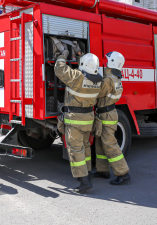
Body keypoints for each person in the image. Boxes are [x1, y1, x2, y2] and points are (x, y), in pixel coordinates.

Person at [55, 50, 102, 194]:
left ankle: (84, 182)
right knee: (85, 148)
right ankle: (87, 175)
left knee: (76, 150)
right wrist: (81, 56)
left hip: (74, 121)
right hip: (87, 120)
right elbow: (87, 69)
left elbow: (59, 69)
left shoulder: (77, 77)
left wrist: (62, 55)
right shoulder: (98, 81)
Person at [93, 51, 131, 185]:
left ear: (112, 62)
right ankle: (102, 170)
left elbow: (97, 92)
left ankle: (123, 173)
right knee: (100, 142)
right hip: (107, 113)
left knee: (109, 144)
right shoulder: (115, 77)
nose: (105, 62)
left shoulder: (109, 79)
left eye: (108, 60)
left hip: (106, 114)